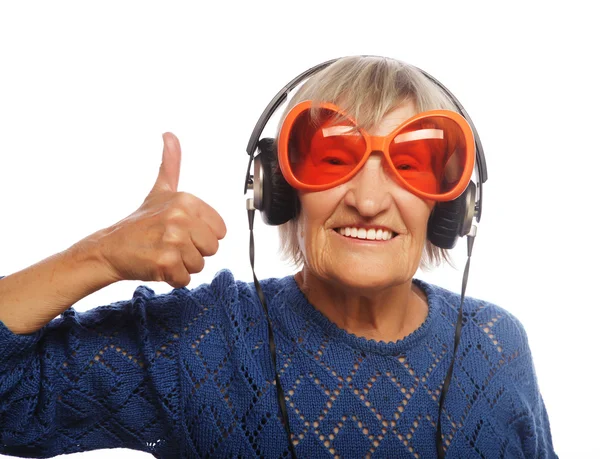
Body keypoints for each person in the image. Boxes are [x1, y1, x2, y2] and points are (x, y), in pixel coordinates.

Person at [0, 56, 557, 458]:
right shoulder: (202, 343)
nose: (366, 200)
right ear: (277, 189)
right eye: (334, 158)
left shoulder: (496, 346)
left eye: (410, 162)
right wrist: (98, 256)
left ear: (451, 204)